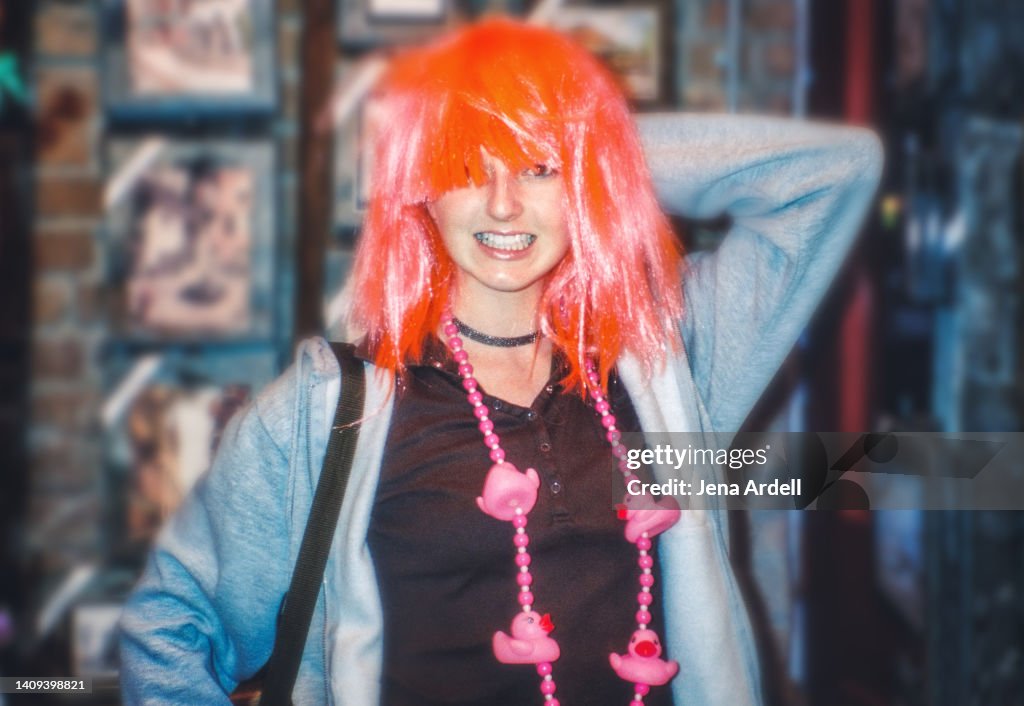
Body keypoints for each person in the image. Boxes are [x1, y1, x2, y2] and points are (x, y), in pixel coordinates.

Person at [119, 19, 882, 706]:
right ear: (421, 191)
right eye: (464, 165)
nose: (503, 203)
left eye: (536, 168)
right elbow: (172, 625)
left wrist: (598, 151)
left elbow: (837, 169)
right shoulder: (329, 409)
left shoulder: (666, 363)